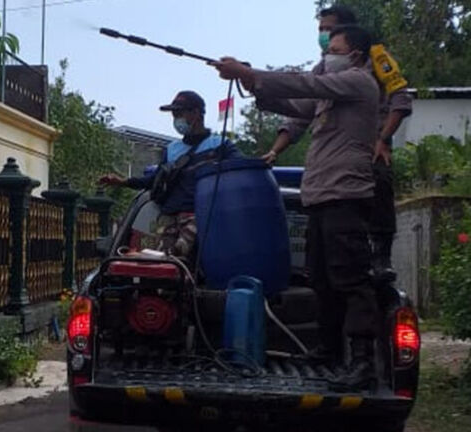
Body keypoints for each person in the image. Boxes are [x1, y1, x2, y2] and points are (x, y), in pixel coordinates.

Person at [214, 25, 379, 389]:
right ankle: (329, 351)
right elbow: (290, 104)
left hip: (345, 197)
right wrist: (250, 79)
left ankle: (364, 362)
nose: (326, 57)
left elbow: (306, 85)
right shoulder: (329, 97)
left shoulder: (358, 83)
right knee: (321, 279)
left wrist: (248, 73)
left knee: (350, 280)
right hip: (321, 197)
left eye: (333, 49)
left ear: (356, 56)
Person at [262, 5, 412, 281]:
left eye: (328, 29)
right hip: (334, 150)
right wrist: (275, 150)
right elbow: (302, 111)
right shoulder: (324, 67)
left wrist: (382, 139)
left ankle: (381, 254)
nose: (323, 36)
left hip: (369, 139)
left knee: (379, 175)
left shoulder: (374, 58)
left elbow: (400, 100)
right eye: (320, 30)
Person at [99, 91, 240, 260]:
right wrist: (123, 182)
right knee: (162, 261)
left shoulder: (220, 145)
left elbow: (243, 171)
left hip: (200, 215)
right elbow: (155, 181)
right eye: (174, 115)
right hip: (168, 217)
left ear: (196, 113)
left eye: (179, 113)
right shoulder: (172, 150)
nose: (175, 119)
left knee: (177, 255)